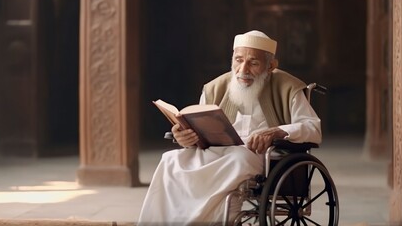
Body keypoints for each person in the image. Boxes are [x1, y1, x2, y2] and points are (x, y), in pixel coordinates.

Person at [137, 30, 322, 225]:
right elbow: (198, 127)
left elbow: (313, 128)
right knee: (171, 160)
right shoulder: (215, 87)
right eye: (238, 60)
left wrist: (278, 130)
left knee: (237, 159)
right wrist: (186, 137)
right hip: (216, 150)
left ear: (271, 66)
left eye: (253, 63)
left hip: (261, 156)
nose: (243, 69)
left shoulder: (288, 87)